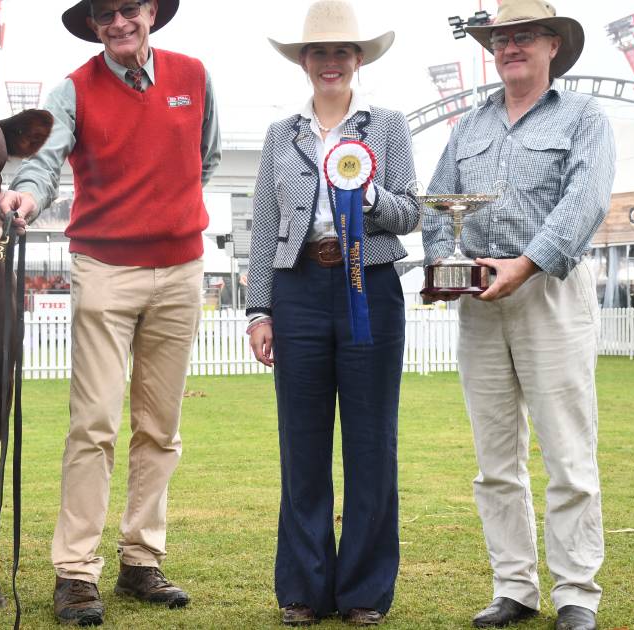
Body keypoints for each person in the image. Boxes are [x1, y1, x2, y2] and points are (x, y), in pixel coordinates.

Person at [0, 0, 220, 624]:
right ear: (93, 26)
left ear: (151, 11)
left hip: (180, 270)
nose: (118, 23)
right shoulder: (72, 90)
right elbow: (44, 162)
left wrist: (167, 207)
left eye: (129, 9)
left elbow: (204, 160)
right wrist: (27, 197)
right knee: (93, 422)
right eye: (104, 16)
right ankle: (75, 572)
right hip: (104, 269)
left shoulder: (195, 77)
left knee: (160, 427)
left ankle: (141, 561)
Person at [420, 2, 615, 629]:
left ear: (553, 45)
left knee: (567, 451)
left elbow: (586, 199)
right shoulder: (469, 125)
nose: (510, 47)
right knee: (494, 458)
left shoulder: (584, 116)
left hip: (549, 292)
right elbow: (436, 204)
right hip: (479, 300)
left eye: (524, 36)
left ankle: (577, 594)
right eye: (501, 38)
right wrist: (440, 267)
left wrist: (527, 264)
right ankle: (514, 587)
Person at [246, 1, 419, 624]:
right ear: (303, 61)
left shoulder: (387, 126)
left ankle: (365, 592)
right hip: (298, 290)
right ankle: (303, 589)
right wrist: (258, 309)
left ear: (359, 59)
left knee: (372, 444)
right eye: (319, 52)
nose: (330, 62)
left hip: (368, 283)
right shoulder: (279, 134)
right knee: (302, 443)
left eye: (342, 52)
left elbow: (409, 214)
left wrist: (366, 191)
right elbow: (265, 224)